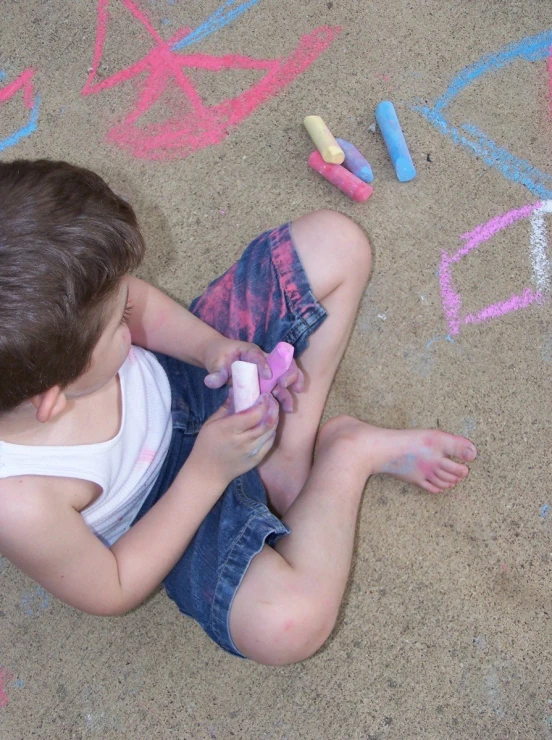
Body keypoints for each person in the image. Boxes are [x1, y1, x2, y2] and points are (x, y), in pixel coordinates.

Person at [0, 159, 477, 666]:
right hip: (163, 511)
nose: (130, 312)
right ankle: (347, 455)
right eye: (120, 322)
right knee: (287, 625)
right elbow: (112, 586)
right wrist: (207, 472)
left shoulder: (53, 345)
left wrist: (212, 348)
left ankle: (287, 455)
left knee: (336, 241)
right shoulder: (19, 502)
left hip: (179, 377)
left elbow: (136, 304)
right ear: (51, 398)